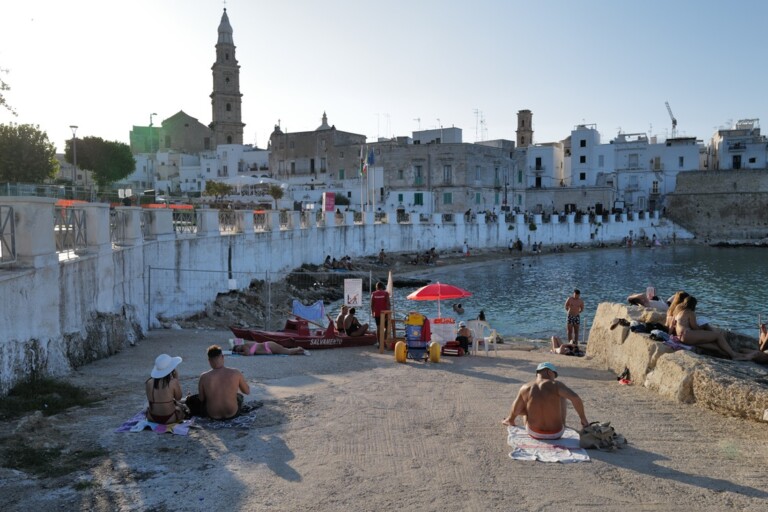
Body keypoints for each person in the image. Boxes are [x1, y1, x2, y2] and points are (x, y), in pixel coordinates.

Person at [501, 362, 589, 440]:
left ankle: (509, 420)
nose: (554, 378)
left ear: (537, 373)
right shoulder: (556, 385)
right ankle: (563, 424)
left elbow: (517, 410)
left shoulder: (526, 387)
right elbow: (576, 398)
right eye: (554, 375)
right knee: (562, 396)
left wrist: (514, 417)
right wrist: (583, 419)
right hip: (556, 433)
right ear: (550, 372)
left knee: (527, 401)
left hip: (534, 433)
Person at [674, 296, 755, 361]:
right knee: (718, 336)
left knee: (714, 346)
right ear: (693, 305)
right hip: (687, 335)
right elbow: (695, 327)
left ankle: (737, 355)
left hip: (682, 337)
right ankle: (734, 355)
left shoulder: (680, 312)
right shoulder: (690, 312)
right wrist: (703, 325)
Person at [197, 345, 250, 420]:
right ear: (222, 357)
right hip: (232, 413)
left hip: (213, 414)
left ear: (209, 360)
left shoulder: (204, 377)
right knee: (238, 396)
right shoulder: (235, 373)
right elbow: (247, 391)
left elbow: (201, 399)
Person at [145, 354, 186, 424]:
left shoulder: (149, 382)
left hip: (151, 417)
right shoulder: (173, 382)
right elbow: (178, 398)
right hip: (170, 418)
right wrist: (176, 379)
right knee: (183, 408)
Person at [232, 340, 305, 356]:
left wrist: (239, 353)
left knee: (287, 352)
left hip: (269, 346)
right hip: (269, 346)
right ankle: (299, 351)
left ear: (239, 345)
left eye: (237, 348)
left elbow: (247, 354)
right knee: (286, 351)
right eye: (237, 350)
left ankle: (299, 348)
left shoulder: (245, 346)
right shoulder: (246, 345)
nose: (238, 350)